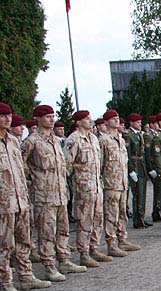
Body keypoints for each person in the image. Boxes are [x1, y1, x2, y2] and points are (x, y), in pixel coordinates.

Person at [22, 104, 87, 281]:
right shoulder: (32, 141)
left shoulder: (56, 141)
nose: (52, 119)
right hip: (44, 195)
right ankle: (49, 265)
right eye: (47, 116)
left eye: (53, 116)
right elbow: (21, 163)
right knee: (47, 232)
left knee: (63, 229)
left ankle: (64, 260)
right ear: (38, 119)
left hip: (60, 193)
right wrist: (34, 179)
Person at [0, 101, 51, 291]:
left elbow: (21, 170)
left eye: (9, 115)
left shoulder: (13, 142)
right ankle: (5, 283)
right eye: (2, 116)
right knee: (5, 245)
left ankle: (26, 276)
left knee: (24, 241)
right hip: (4, 203)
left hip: (20, 200)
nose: (7, 119)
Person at [64, 110, 110, 268]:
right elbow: (66, 165)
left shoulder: (93, 138)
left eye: (90, 118)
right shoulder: (74, 139)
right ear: (78, 122)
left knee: (98, 218)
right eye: (86, 119)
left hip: (96, 186)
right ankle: (83, 253)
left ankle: (94, 249)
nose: (90, 121)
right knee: (84, 220)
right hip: (83, 188)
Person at [98, 110, 140, 256]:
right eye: (113, 118)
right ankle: (111, 243)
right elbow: (100, 164)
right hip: (110, 183)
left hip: (122, 182)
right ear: (106, 122)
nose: (116, 120)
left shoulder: (121, 139)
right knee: (111, 214)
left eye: (117, 118)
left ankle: (122, 239)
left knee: (122, 213)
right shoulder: (104, 140)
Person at [124, 113, 151, 228]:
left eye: (140, 122)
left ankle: (141, 217)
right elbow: (127, 154)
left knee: (142, 193)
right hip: (134, 166)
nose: (140, 124)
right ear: (131, 123)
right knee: (137, 194)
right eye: (137, 122)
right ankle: (137, 219)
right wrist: (130, 170)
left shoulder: (139, 135)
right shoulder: (128, 135)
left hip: (141, 166)